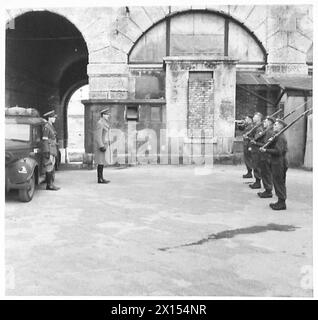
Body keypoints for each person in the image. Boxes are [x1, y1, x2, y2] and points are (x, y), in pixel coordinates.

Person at [260, 119, 288, 210]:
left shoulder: (281, 137)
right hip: (276, 161)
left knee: (279, 182)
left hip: (279, 162)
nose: (274, 126)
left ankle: (282, 202)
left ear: (281, 127)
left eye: (276, 125)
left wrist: (266, 150)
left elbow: (278, 151)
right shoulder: (277, 136)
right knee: (276, 181)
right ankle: (280, 201)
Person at [250, 116, 275, 198]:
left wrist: (255, 143)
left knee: (267, 173)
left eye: (266, 121)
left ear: (270, 123)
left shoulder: (269, 132)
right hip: (264, 155)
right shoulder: (266, 131)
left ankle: (268, 191)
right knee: (264, 173)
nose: (264, 122)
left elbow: (266, 145)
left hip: (266, 155)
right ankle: (267, 190)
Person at [42, 110, 60, 191]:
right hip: (49, 149)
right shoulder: (46, 127)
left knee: (52, 165)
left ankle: (51, 183)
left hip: (52, 148)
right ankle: (49, 185)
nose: (54, 119)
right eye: (53, 117)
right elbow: (45, 140)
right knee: (49, 166)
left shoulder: (50, 126)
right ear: (49, 118)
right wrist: (46, 151)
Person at [246, 112, 263, 189]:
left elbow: (256, 138)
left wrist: (249, 138)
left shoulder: (259, 128)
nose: (253, 118)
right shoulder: (255, 126)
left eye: (255, 117)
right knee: (254, 165)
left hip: (256, 149)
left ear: (259, 118)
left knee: (256, 166)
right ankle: (256, 181)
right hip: (254, 148)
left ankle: (258, 182)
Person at [94, 107, 111, 184]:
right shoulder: (100, 123)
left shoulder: (104, 122)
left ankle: (101, 178)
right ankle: (100, 179)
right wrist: (101, 146)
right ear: (103, 115)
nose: (108, 116)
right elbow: (98, 136)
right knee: (100, 162)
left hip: (104, 144)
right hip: (101, 146)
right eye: (107, 115)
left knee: (102, 162)